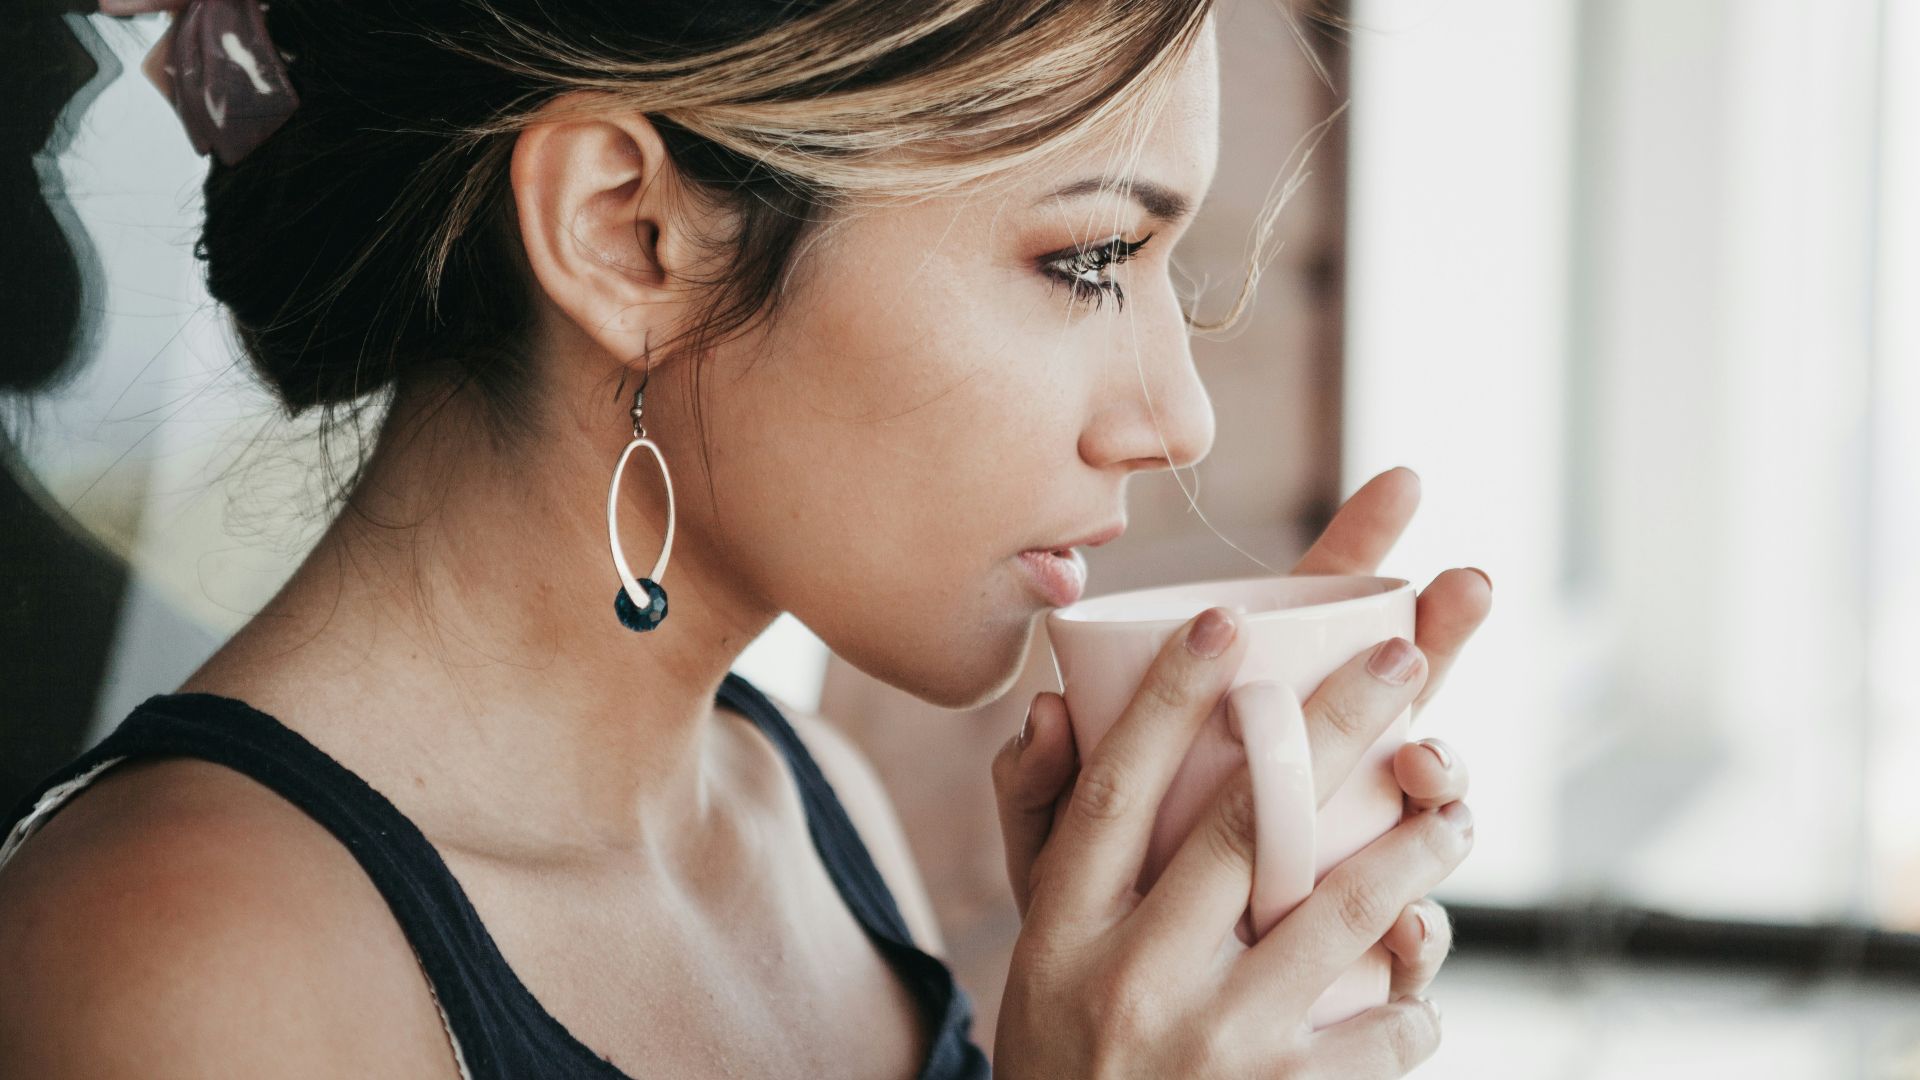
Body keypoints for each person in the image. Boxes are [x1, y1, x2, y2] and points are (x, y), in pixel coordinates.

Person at [0, 0, 1491, 1075]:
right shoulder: (186, 964)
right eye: (1086, 259)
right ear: (627, 236)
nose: (1179, 418)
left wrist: (1182, 994)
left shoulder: (808, 808)